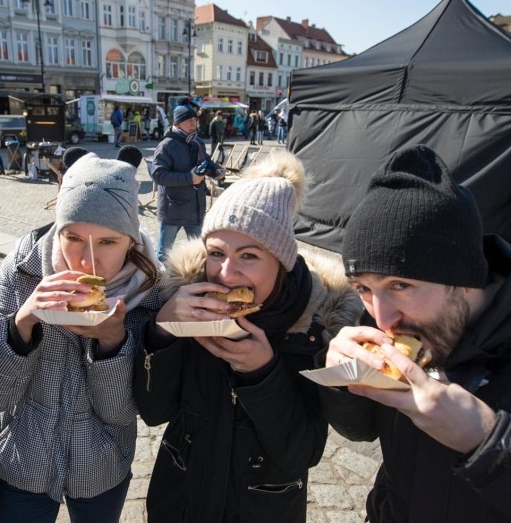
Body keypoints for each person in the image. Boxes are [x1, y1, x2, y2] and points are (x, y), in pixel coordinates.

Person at [133, 151, 363, 522]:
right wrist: (163, 332)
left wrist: (263, 373)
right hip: (179, 503)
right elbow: (154, 411)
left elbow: (302, 453)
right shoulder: (188, 306)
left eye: (249, 256)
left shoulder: (315, 326)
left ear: (281, 261)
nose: (226, 273)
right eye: (216, 253)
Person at [320, 145, 511, 522]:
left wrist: (488, 442)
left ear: (466, 281)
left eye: (401, 285)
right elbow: (360, 431)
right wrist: (343, 380)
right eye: (363, 287)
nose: (384, 318)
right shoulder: (382, 322)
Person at [0, 152, 164, 523]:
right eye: (73, 237)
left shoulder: (152, 292)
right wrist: (23, 323)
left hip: (102, 463)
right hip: (21, 461)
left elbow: (120, 413)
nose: (87, 262)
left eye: (108, 242)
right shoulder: (23, 270)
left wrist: (112, 343)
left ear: (131, 240)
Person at [151, 103, 209, 262]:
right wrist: (190, 178)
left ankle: (197, 283)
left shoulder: (197, 142)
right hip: (173, 209)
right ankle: (160, 284)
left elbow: (206, 161)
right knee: (164, 255)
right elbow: (158, 174)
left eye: (194, 120)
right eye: (188, 120)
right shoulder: (167, 145)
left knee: (201, 253)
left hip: (196, 208)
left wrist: (215, 170)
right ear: (177, 123)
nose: (193, 123)